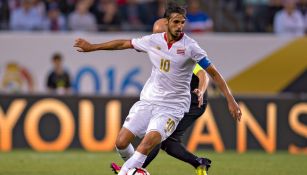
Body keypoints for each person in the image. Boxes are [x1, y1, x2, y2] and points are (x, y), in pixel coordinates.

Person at [73, 2, 241, 175]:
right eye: (176, 22)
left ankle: (128, 171)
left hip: (173, 107)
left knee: (148, 143)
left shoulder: (190, 47)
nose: (180, 26)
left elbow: (211, 73)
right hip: (149, 101)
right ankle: (138, 171)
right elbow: (123, 44)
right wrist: (92, 47)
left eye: (182, 22)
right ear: (167, 22)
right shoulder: (153, 41)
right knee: (121, 142)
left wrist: (231, 100)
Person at [111, 18, 212, 175]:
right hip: (172, 101)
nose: (155, 38)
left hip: (193, 101)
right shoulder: (160, 47)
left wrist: (200, 90)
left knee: (163, 140)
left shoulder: (183, 50)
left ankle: (133, 170)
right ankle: (134, 169)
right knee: (162, 141)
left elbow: (202, 74)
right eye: (154, 34)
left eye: (158, 34)